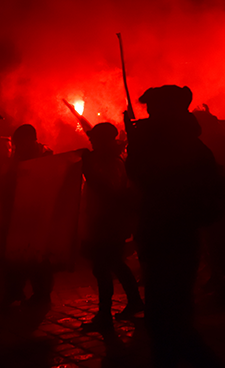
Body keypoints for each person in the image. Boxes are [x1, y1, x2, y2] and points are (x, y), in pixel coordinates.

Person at [126, 85, 224, 368]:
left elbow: (149, 178)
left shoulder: (184, 146)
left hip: (173, 238)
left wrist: (139, 144)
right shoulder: (181, 142)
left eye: (154, 109)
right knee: (163, 319)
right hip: (162, 235)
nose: (149, 114)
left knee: (169, 320)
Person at [80, 122, 143, 334]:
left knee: (102, 268)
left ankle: (105, 316)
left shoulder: (114, 162)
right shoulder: (105, 160)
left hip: (108, 222)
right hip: (103, 220)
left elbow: (109, 192)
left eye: (94, 138)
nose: (91, 142)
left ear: (105, 140)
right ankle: (134, 301)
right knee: (115, 263)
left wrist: (88, 170)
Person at [193, 106, 225, 305]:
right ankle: (219, 278)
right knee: (213, 246)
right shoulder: (206, 144)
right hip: (213, 203)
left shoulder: (223, 146)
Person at [0, 124, 54, 309]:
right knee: (15, 253)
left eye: (20, 144)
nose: (17, 148)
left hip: (36, 212)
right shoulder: (20, 156)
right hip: (18, 211)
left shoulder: (44, 155)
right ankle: (14, 290)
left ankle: (42, 294)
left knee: (37, 255)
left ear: (31, 140)